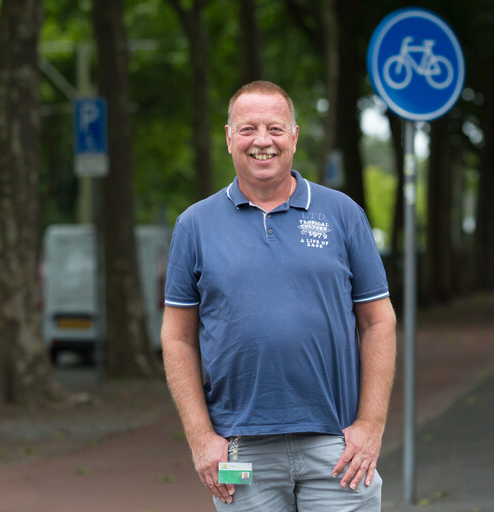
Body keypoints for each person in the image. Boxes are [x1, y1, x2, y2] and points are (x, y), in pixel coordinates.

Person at [161, 80, 396, 511]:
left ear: (294, 136)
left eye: (275, 128)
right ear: (229, 138)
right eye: (248, 129)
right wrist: (200, 439)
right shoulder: (194, 225)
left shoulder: (343, 214)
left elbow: (378, 321)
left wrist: (371, 425)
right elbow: (177, 338)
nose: (262, 141)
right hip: (239, 451)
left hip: (338, 446)